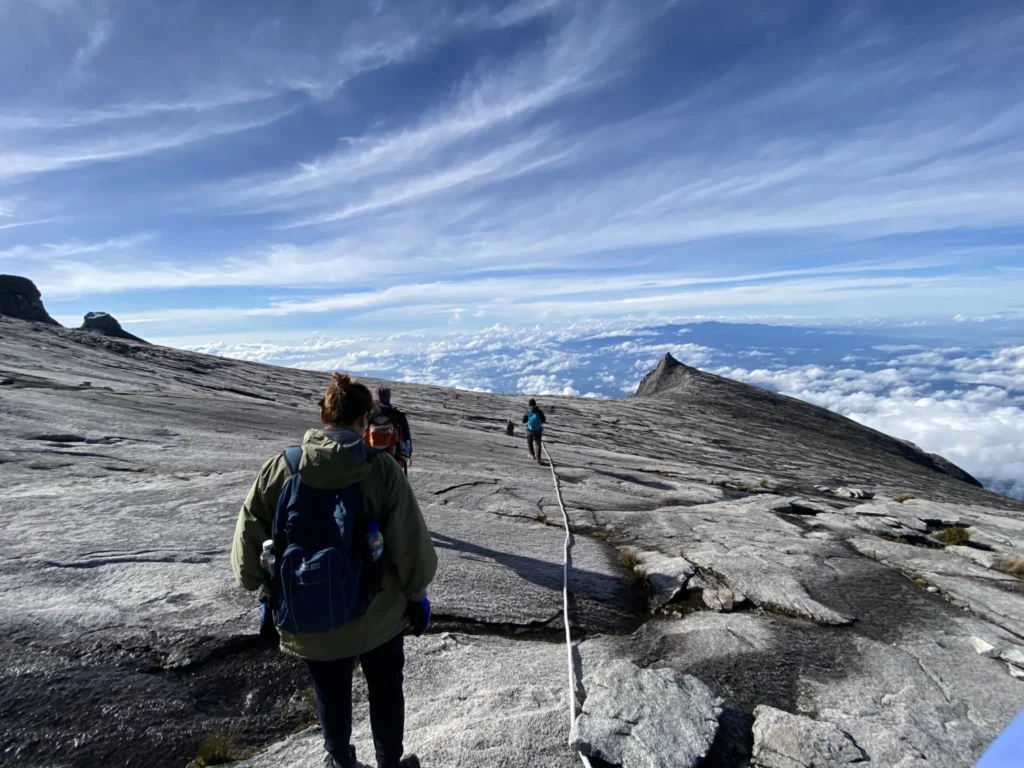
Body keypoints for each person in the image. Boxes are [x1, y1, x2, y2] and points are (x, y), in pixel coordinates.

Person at [231, 372, 437, 768]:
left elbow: (246, 554)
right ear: (363, 420)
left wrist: (266, 591)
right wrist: (417, 594)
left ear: (323, 415)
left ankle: (340, 761)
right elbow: (410, 544)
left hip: (309, 614)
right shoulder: (382, 470)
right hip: (378, 617)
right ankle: (389, 764)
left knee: (330, 693)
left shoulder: (282, 467)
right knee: (386, 689)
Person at [365, 386, 412, 474]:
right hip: (393, 462)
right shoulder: (398, 416)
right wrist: (405, 458)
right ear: (389, 396)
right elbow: (407, 440)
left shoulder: (367, 415)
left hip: (370, 463)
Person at [521, 398, 546, 464]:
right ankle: (538, 458)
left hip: (530, 430)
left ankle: (532, 454)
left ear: (529, 405)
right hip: (538, 430)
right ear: (535, 404)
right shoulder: (539, 411)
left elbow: (523, 421)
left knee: (530, 442)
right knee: (538, 443)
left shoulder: (528, 411)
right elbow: (544, 420)